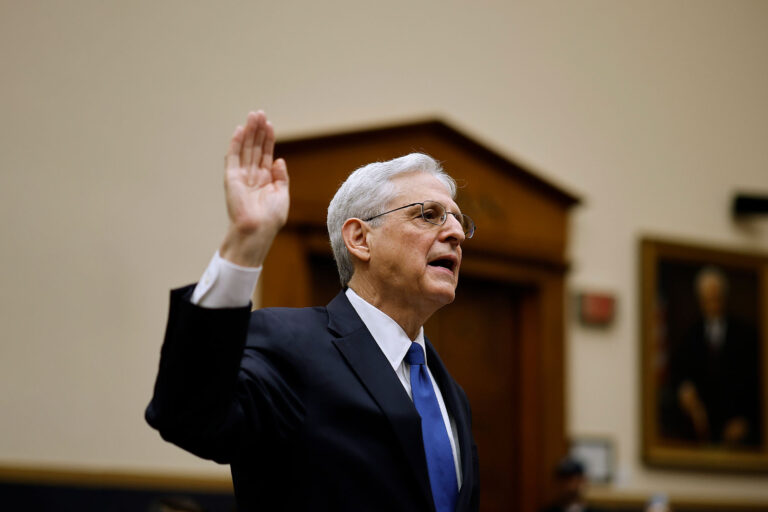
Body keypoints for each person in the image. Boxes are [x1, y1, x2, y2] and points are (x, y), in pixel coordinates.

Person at [146, 111, 480, 511]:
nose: (456, 233)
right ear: (360, 238)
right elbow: (188, 416)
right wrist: (245, 244)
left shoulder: (450, 393)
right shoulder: (290, 344)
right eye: (428, 215)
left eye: (459, 221)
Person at [666, 266, 761, 446]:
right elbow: (680, 375)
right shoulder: (691, 336)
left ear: (725, 297)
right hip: (701, 428)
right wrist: (685, 392)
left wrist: (746, 420)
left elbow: (755, 383)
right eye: (707, 299)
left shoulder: (745, 334)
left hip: (738, 426)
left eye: (716, 298)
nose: (712, 305)